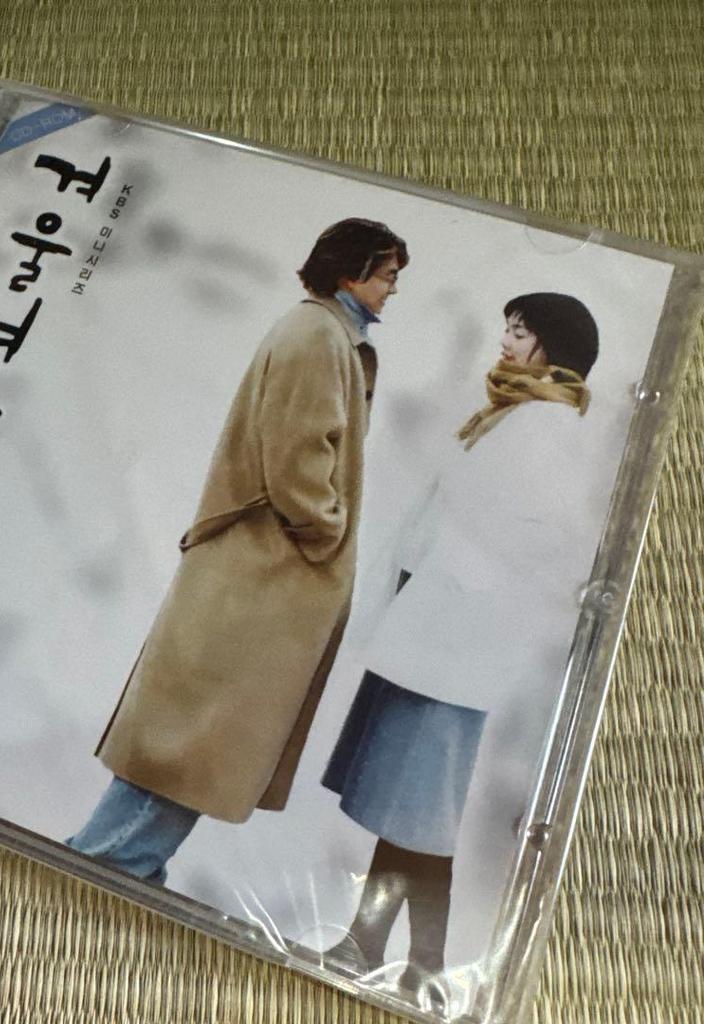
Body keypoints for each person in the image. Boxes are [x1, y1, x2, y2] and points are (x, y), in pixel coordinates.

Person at [66, 218, 409, 884]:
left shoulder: (323, 334)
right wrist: (326, 532)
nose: (393, 290)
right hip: (262, 575)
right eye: (388, 275)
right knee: (190, 746)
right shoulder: (316, 337)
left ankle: (116, 868)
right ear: (351, 271)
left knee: (193, 745)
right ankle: (105, 874)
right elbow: (297, 458)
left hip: (260, 571)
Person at [320, 293, 600, 1001]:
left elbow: (538, 538)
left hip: (458, 642)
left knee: (420, 810)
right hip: (435, 634)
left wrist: (464, 567)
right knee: (412, 805)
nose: (506, 340)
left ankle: (399, 955)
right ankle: (404, 957)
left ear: (553, 349)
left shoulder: (547, 425)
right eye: (508, 327)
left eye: (522, 332)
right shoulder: (515, 413)